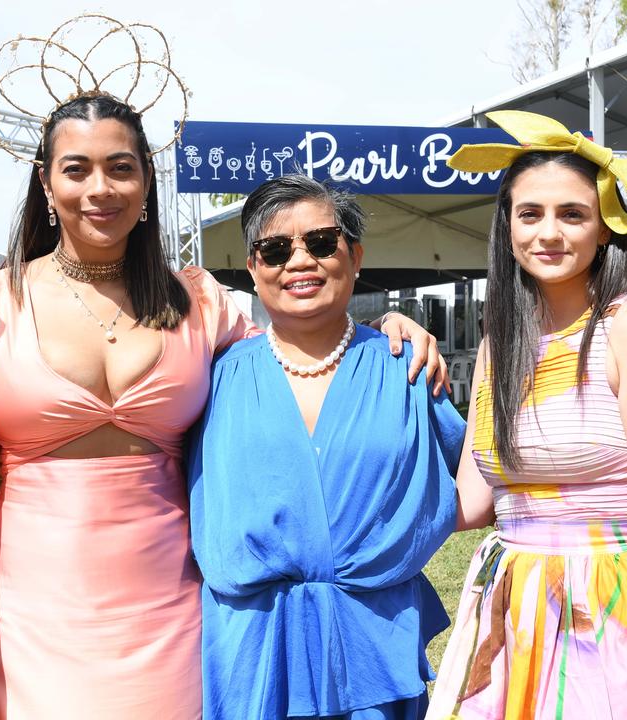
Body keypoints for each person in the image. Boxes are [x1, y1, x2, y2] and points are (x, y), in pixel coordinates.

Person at [0, 92, 445, 719]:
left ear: (147, 180)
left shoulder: (199, 301)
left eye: (121, 167)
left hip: (174, 602)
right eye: (77, 169)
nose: (101, 188)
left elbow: (294, 353)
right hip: (29, 599)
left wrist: (385, 327)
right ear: (46, 183)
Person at [428, 111, 627, 719]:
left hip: (614, 603)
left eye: (572, 214)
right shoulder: (498, 346)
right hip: (514, 604)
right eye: (530, 214)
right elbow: (474, 502)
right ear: (507, 226)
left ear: (605, 229)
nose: (548, 233)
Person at [187, 174, 465, 720]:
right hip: (252, 651)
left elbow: (480, 481)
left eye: (320, 243)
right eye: (274, 249)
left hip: (372, 643)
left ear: (355, 256)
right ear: (253, 268)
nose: (299, 262)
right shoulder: (214, 378)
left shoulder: (406, 367)